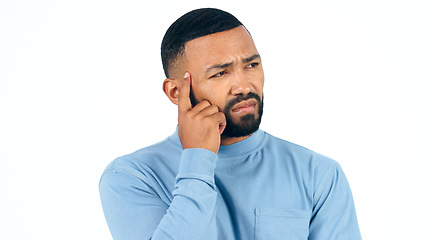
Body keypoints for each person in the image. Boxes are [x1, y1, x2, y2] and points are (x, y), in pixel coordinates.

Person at [99, 8, 362, 240]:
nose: (244, 86)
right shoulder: (131, 177)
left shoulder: (318, 174)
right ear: (176, 92)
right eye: (220, 73)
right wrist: (197, 158)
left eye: (252, 65)